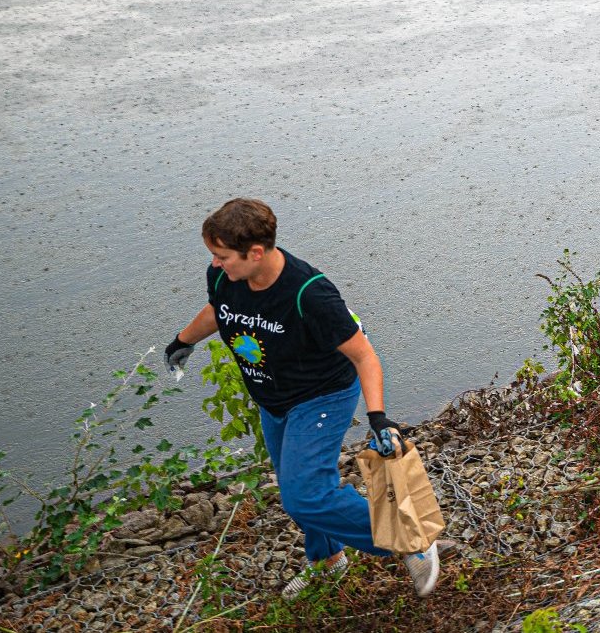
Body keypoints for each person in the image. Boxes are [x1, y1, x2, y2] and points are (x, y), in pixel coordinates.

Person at [163, 199, 440, 600]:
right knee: (302, 492)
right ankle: (329, 564)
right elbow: (218, 308)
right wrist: (183, 340)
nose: (216, 264)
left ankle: (411, 541)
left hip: (322, 396)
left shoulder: (309, 293)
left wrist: (377, 416)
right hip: (273, 399)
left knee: (304, 495)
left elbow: (364, 356)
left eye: (222, 256)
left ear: (255, 252)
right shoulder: (224, 277)